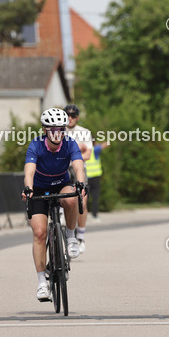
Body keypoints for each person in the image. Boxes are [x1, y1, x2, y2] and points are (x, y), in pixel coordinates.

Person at [21, 107, 87, 302]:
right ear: (45, 131)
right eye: (52, 130)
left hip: (61, 185)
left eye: (60, 129)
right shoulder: (36, 145)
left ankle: (70, 237)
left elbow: (78, 165)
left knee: (71, 197)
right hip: (39, 189)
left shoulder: (69, 144)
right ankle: (42, 282)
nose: (57, 133)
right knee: (39, 233)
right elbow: (29, 172)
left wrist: (81, 183)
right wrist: (28, 188)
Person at [64, 104, 93, 251]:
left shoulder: (84, 132)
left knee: (81, 202)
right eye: (67, 115)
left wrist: (71, 157)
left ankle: (80, 236)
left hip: (79, 169)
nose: (70, 118)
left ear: (77, 117)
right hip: (62, 168)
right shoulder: (58, 132)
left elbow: (87, 155)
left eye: (73, 115)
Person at [86, 140, 107, 220]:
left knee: (84, 198)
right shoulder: (95, 149)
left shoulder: (84, 151)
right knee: (95, 197)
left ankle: (83, 215)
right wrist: (97, 144)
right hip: (95, 177)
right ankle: (94, 215)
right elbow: (107, 143)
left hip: (86, 177)